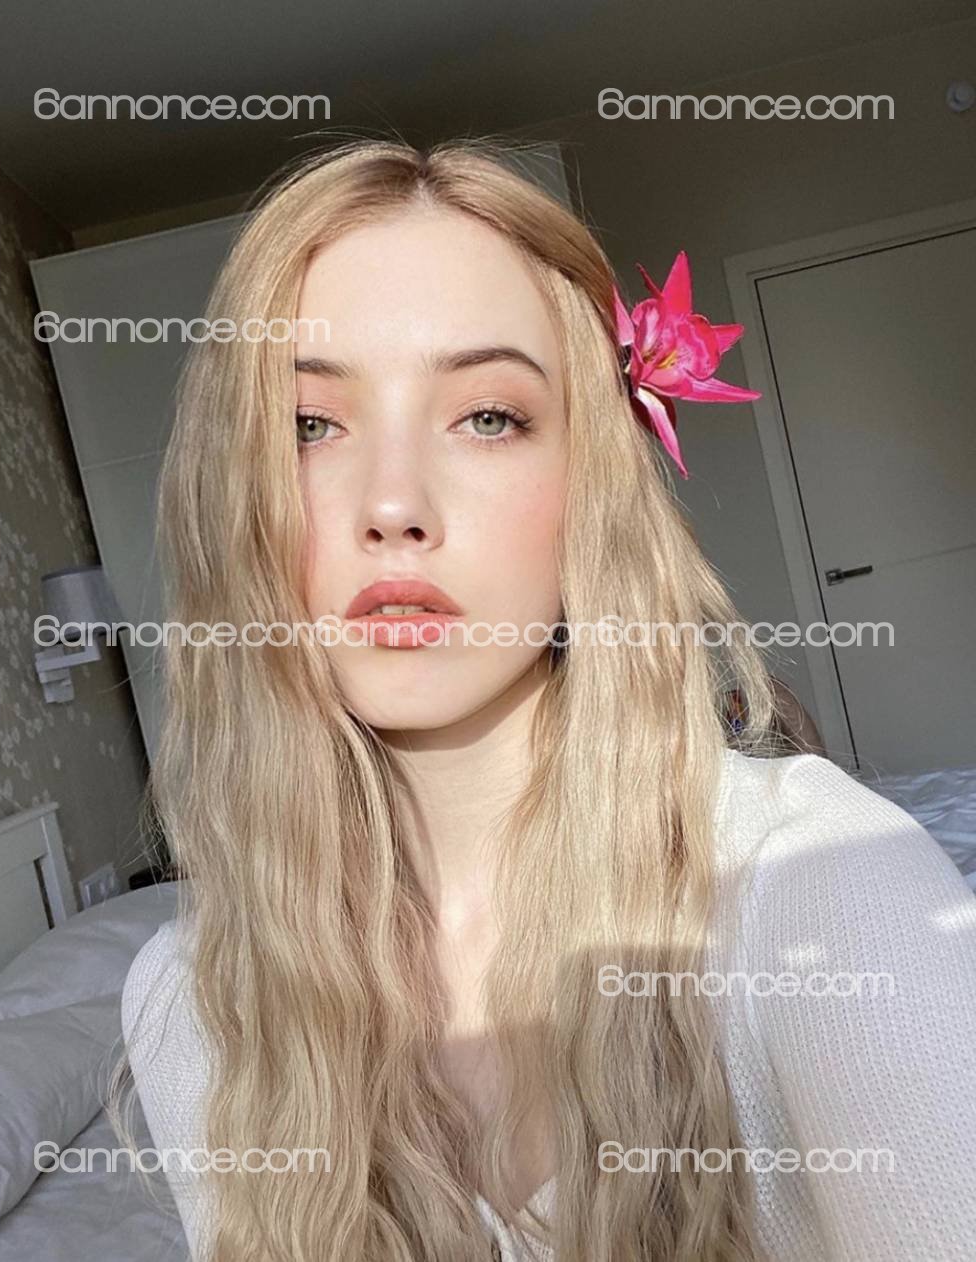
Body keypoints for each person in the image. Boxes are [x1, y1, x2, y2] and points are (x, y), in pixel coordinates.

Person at [117, 141, 976, 1262]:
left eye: (487, 416)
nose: (393, 503)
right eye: (307, 426)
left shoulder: (819, 885)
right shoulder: (189, 1001)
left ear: (591, 484)